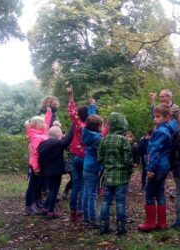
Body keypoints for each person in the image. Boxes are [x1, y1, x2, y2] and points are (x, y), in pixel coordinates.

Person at [138, 104, 175, 232]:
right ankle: (162, 223)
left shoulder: (160, 131)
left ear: (167, 117)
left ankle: (150, 223)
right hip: (163, 166)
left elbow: (154, 152)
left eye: (158, 117)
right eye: (154, 116)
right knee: (160, 193)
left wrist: (150, 169)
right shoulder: (166, 128)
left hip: (157, 167)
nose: (155, 119)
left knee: (149, 194)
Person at [98, 112, 133, 235]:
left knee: (106, 201)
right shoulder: (124, 140)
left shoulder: (104, 140)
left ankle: (104, 226)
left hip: (108, 177)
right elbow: (128, 159)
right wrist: (129, 170)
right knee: (120, 201)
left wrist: (107, 165)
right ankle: (120, 227)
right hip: (122, 177)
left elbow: (100, 157)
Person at [66, 87, 96, 221]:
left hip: (75, 157)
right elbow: (93, 120)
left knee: (75, 184)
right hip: (85, 159)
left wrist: (71, 96)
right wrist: (92, 106)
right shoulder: (89, 127)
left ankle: (73, 212)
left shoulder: (78, 124)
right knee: (83, 185)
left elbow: (72, 111)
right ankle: (80, 210)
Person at [37, 126, 74, 218]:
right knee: (54, 190)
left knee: (51, 190)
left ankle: (45, 208)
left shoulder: (42, 144)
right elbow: (68, 140)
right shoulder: (57, 144)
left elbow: (40, 159)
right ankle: (50, 211)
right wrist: (74, 125)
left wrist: (42, 170)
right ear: (59, 135)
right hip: (56, 171)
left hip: (47, 171)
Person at [24, 112, 51, 215]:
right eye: (43, 122)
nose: (45, 124)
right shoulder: (36, 136)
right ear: (38, 124)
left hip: (42, 164)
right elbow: (35, 153)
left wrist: (49, 112)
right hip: (36, 165)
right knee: (33, 186)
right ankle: (29, 206)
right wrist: (36, 167)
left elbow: (47, 124)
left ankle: (37, 201)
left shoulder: (42, 133)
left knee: (39, 185)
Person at [82, 99, 103, 228]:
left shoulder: (86, 132)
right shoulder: (98, 139)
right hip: (93, 168)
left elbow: (90, 120)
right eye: (101, 125)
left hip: (86, 166)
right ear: (98, 127)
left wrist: (92, 106)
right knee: (92, 194)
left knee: (86, 191)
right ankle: (93, 219)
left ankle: (85, 215)